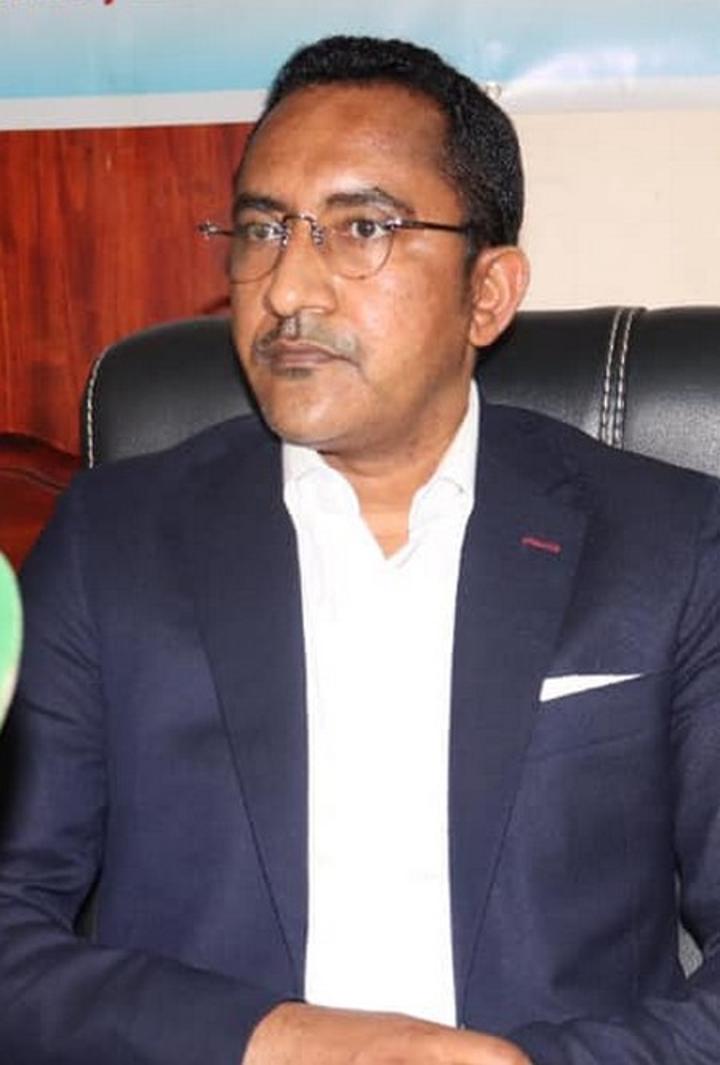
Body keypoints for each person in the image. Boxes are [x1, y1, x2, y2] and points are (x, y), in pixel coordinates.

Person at [1, 34, 720, 1065]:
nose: (289, 287)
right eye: (262, 229)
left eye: (361, 228)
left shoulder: (670, 545)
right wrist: (275, 1041)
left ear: (488, 293)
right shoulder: (112, 540)